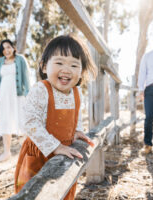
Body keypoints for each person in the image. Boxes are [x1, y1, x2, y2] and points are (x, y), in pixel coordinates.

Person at [14, 35, 97, 199]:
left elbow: (76, 115)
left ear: (81, 72)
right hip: (39, 154)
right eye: (59, 63)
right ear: (44, 67)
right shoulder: (41, 90)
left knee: (64, 192)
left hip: (65, 152)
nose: (66, 70)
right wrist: (54, 146)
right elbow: (30, 122)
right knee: (36, 193)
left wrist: (77, 130)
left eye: (74, 65)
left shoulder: (76, 92)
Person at [0, 39, 30, 162]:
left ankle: (27, 152)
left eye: (8, 47)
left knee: (23, 122)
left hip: (18, 96)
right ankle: (6, 152)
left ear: (13, 47)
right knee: (5, 122)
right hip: (4, 97)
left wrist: (29, 94)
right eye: (3, 48)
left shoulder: (20, 60)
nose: (6, 50)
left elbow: (26, 79)